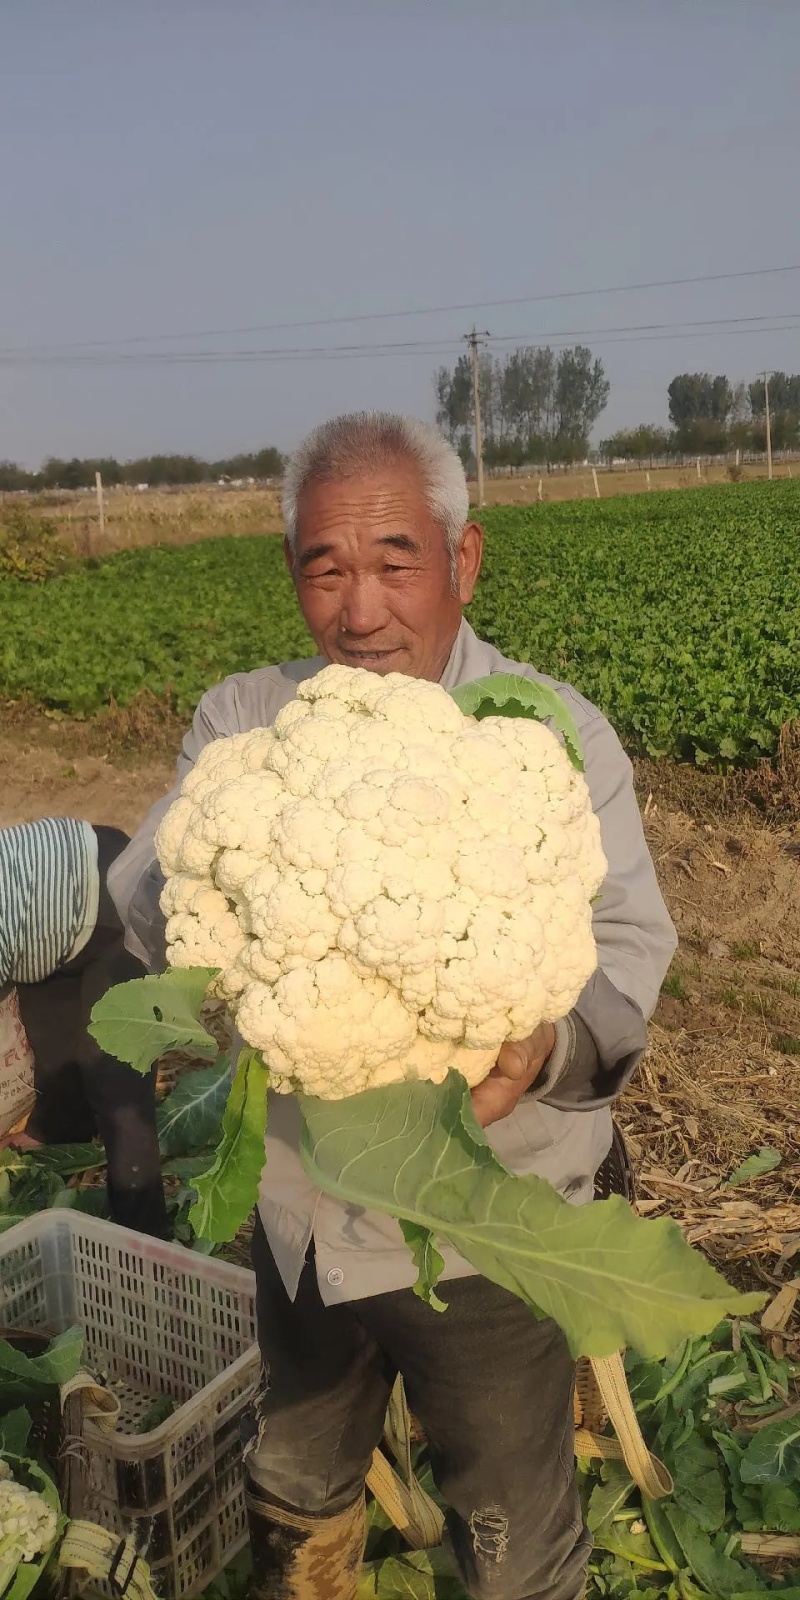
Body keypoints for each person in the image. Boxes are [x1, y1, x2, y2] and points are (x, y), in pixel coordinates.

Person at [109, 412, 677, 1600]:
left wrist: (544, 1039)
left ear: (461, 559)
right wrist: (221, 945)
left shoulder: (549, 733)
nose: (358, 610)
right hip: (300, 1215)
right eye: (326, 567)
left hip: (483, 1214)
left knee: (505, 1529)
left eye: (393, 561)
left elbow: (625, 955)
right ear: (293, 576)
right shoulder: (245, 721)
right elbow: (148, 901)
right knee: (298, 1475)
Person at [0, 817, 169, 1238]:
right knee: (52, 1047)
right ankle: (56, 1134)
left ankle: (144, 1237)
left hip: (110, 896)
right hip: (48, 927)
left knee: (116, 1085)